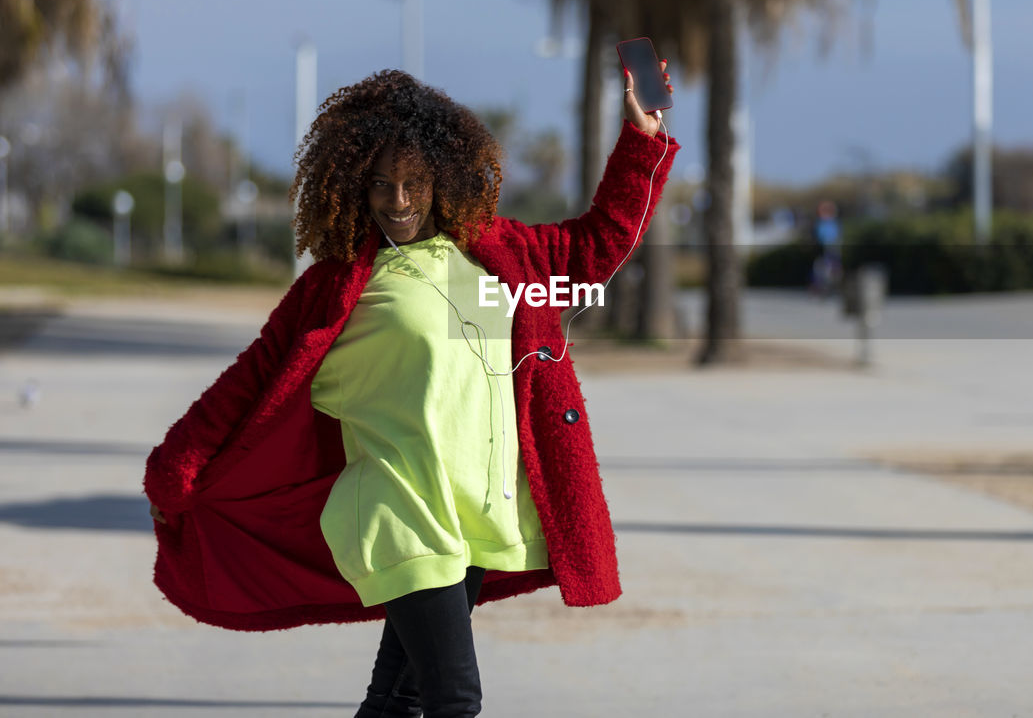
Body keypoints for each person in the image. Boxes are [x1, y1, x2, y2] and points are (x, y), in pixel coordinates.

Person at [144, 61, 678, 717]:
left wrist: (640, 139)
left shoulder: (495, 254)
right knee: (455, 698)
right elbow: (248, 379)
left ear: (444, 177)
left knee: (395, 698)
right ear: (354, 185)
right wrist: (174, 471)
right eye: (381, 184)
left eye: (415, 182)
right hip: (398, 514)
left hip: (476, 513)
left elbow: (597, 245)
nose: (397, 201)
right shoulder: (338, 286)